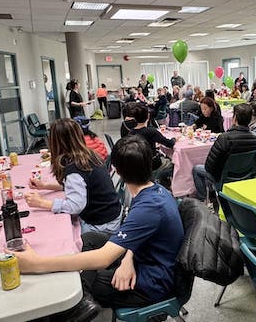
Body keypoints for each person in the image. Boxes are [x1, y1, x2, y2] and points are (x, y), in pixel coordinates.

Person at [9, 135, 183, 320]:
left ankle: (79, 307)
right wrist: (127, 259)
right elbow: (140, 234)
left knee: (79, 282)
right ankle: (83, 290)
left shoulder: (147, 208)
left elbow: (103, 259)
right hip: (147, 258)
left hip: (152, 283)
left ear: (117, 170)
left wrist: (37, 264)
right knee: (91, 239)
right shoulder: (156, 191)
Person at [24, 119, 122, 235]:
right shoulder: (88, 155)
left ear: (55, 143)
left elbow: (75, 206)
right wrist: (45, 186)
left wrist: (41, 203)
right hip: (111, 215)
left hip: (102, 226)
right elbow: (79, 186)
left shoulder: (74, 168)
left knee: (55, 231)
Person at [192, 104, 256, 204]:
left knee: (196, 169)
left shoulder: (225, 138)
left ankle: (203, 200)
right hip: (246, 176)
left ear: (234, 118)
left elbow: (209, 167)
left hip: (224, 178)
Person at [128, 105, 176, 189]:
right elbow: (169, 143)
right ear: (148, 116)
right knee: (174, 163)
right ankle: (166, 185)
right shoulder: (151, 131)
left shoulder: (131, 132)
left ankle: (162, 183)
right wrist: (174, 139)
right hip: (152, 164)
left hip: (138, 165)